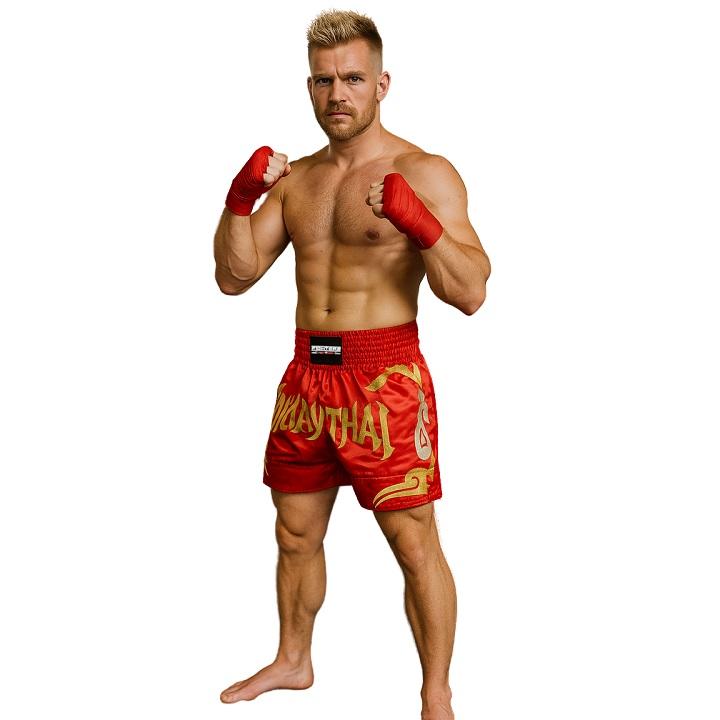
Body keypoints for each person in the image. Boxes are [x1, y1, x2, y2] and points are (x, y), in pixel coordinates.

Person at [213, 9, 490, 720]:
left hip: (384, 377)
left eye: (354, 79)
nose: (338, 93)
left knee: (413, 542)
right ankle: (294, 660)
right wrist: (239, 201)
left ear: (382, 84)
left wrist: (420, 223)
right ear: (310, 86)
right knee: (294, 532)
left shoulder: (425, 171)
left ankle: (436, 696)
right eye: (324, 80)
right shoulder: (298, 181)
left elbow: (470, 291)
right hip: (307, 378)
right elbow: (234, 277)